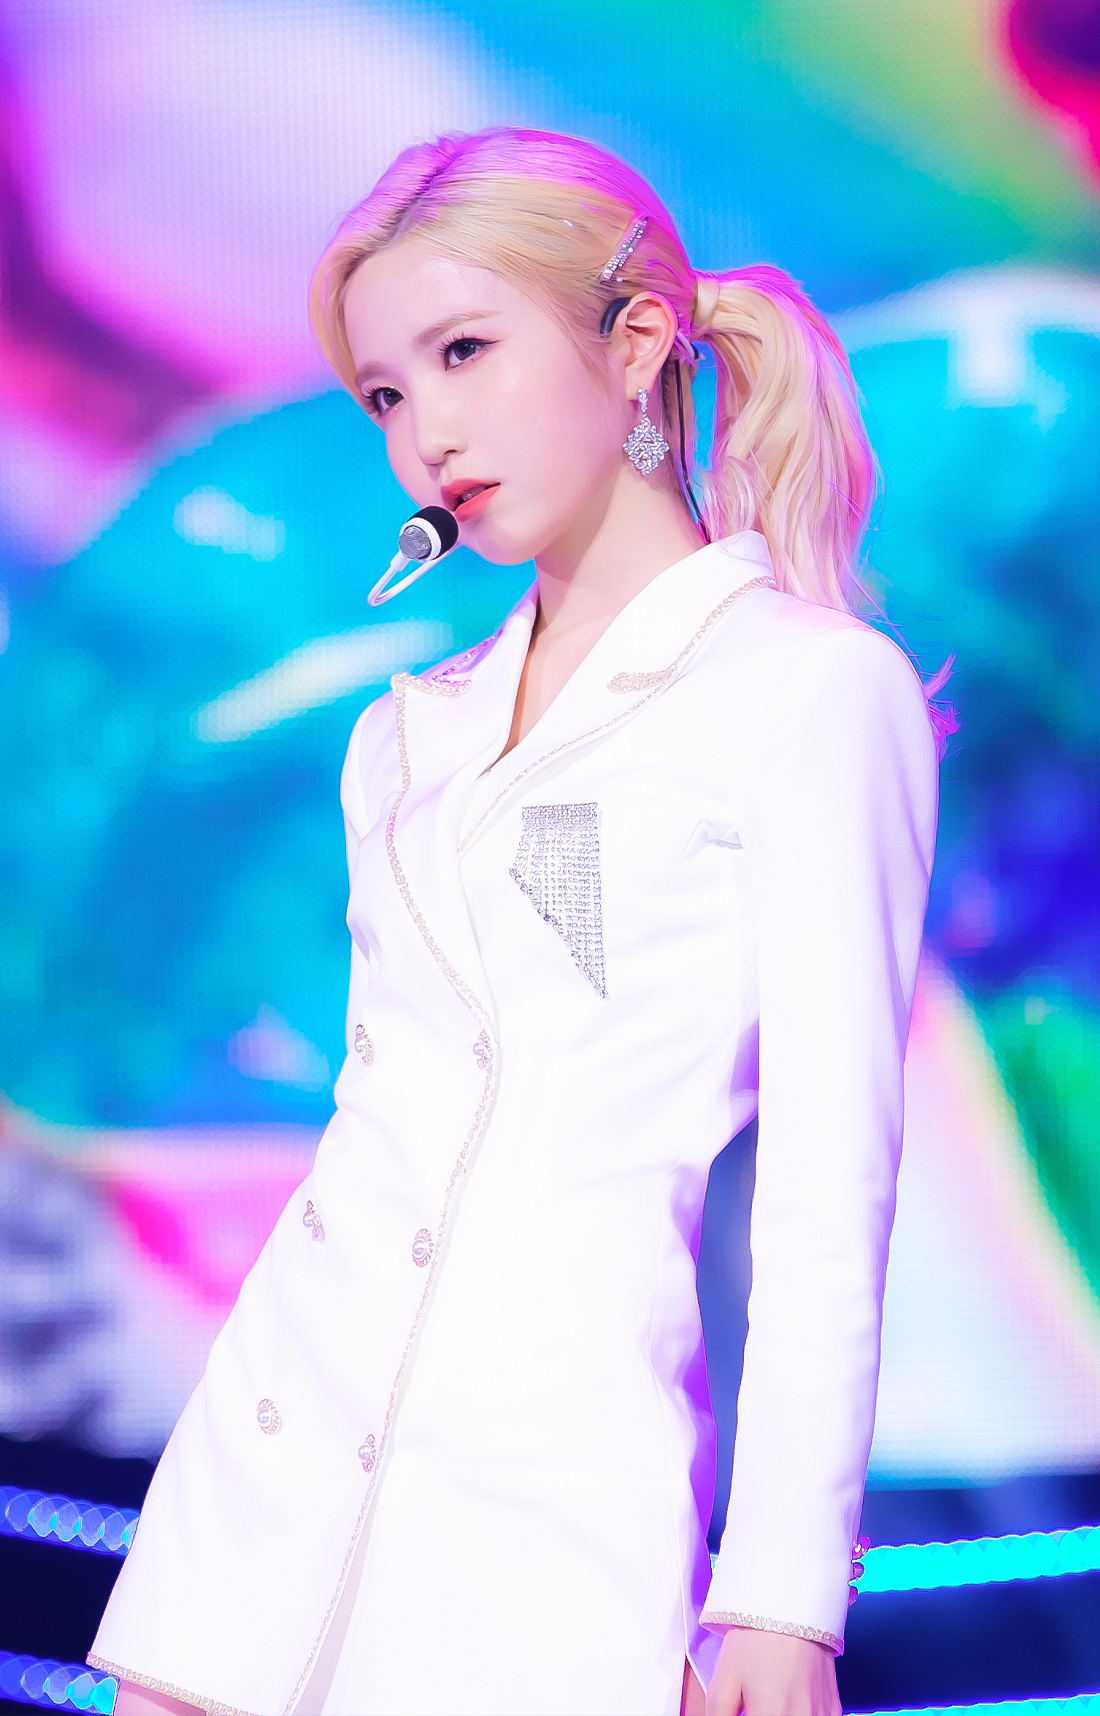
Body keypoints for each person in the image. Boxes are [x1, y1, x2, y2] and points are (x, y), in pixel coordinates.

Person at [90, 126, 939, 1716]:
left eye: (465, 352)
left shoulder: (811, 692)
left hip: (543, 1533)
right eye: (385, 394)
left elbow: (834, 1185)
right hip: (260, 1483)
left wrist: (783, 1599)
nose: (426, 432)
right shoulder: (404, 735)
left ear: (635, 342)